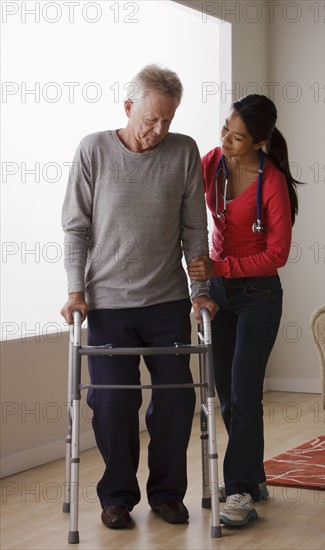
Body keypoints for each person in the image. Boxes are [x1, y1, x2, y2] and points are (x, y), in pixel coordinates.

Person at [60, 64, 218, 529]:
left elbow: (194, 228)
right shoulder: (94, 150)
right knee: (111, 403)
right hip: (107, 304)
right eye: (150, 119)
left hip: (167, 301)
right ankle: (117, 497)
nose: (158, 130)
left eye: (167, 120)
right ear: (128, 108)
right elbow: (76, 228)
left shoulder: (184, 151)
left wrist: (201, 291)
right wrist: (75, 290)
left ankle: (168, 495)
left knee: (175, 400)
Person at [188, 94, 301, 527]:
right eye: (224, 130)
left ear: (259, 142)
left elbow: (277, 254)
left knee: (244, 387)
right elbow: (183, 201)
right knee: (227, 395)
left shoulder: (272, 182)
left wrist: (223, 266)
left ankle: (237, 492)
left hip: (259, 295)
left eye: (238, 137)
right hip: (219, 292)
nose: (226, 141)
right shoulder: (212, 162)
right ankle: (252, 479)